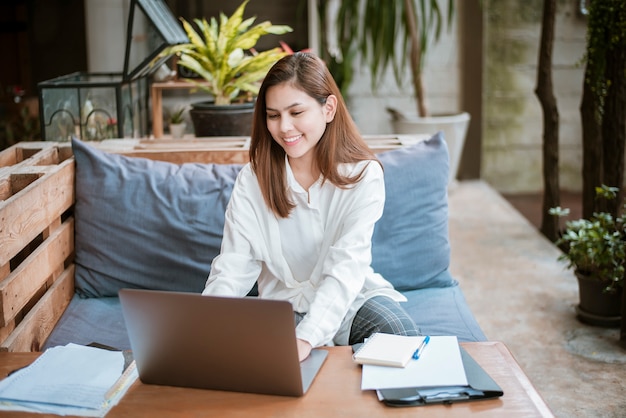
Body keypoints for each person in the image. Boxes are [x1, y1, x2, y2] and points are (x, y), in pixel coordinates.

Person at [202, 52, 420, 361]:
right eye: (274, 115)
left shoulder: (363, 175)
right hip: (281, 309)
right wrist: (201, 325)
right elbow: (233, 267)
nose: (285, 127)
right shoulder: (252, 180)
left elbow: (347, 268)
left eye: (296, 112)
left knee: (406, 344)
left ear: (328, 108)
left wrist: (306, 338)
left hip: (351, 302)